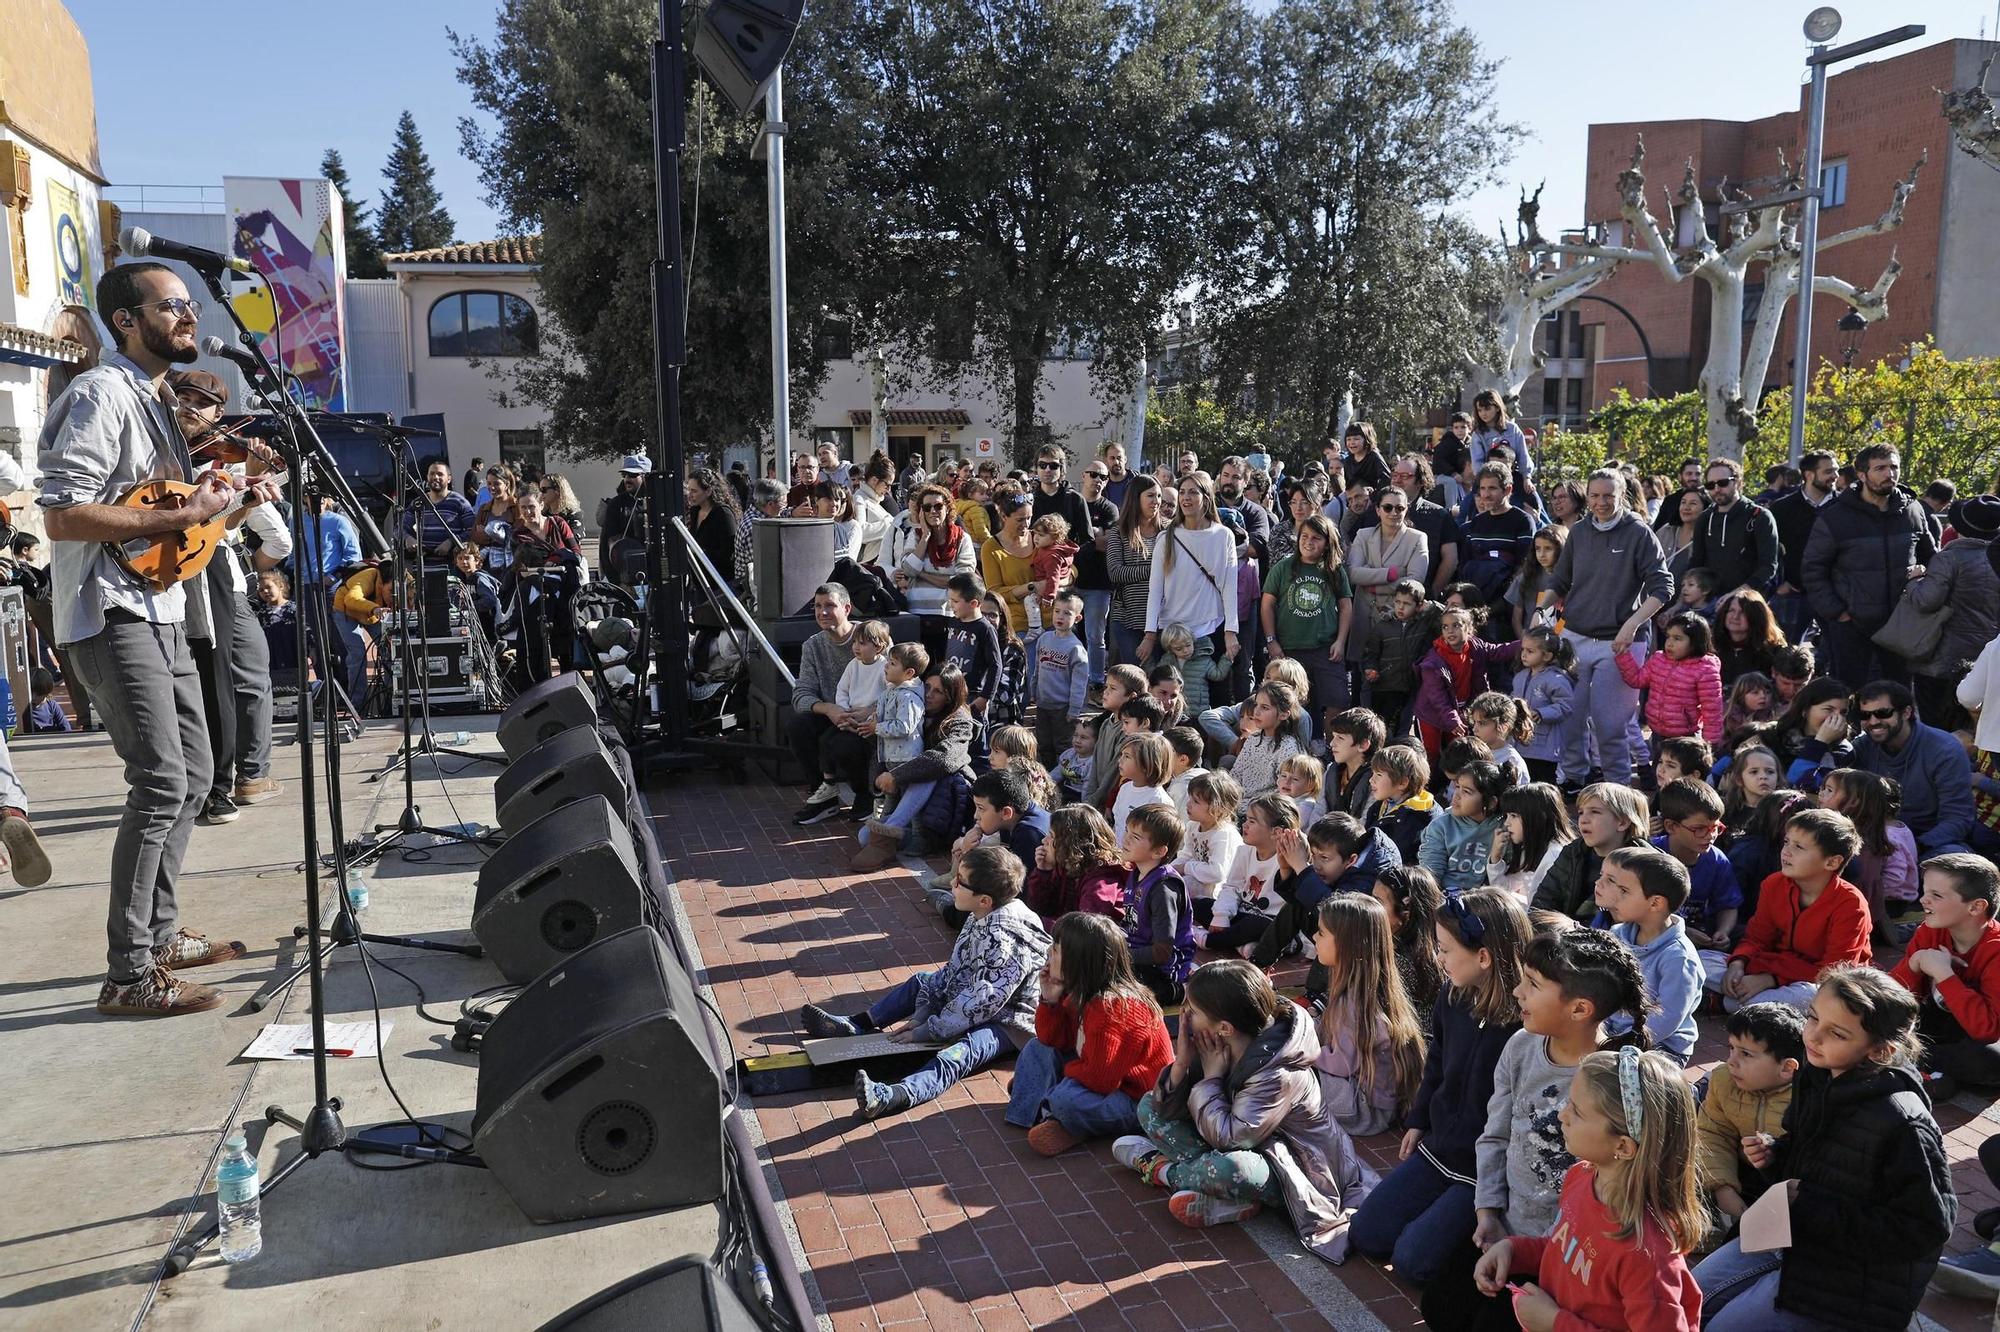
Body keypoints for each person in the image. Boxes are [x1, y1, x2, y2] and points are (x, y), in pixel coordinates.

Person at [38, 261, 277, 1015]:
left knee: (197, 770)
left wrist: (224, 505)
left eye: (190, 305)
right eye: (170, 306)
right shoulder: (100, 395)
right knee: (162, 782)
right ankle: (130, 972)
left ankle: (162, 932)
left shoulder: (155, 403)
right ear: (125, 322)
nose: (189, 317)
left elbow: (174, 527)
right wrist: (179, 516)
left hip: (163, 609)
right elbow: (64, 514)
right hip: (109, 614)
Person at [1692, 965, 1954, 1332]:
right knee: (1686, 1301)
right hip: (1791, 1234)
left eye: (1837, 1033)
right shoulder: (1818, 1074)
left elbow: (1924, 1229)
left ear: (1880, 1051)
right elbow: (1813, 1158)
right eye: (1813, 1017)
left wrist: (1809, 1203)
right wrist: (1775, 1154)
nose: (1813, 1036)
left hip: (1848, 1281)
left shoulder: (1902, 1122)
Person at [1113, 958, 1374, 1251]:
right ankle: (1223, 1196)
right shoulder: (1215, 1040)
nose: (1184, 1015)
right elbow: (1165, 1109)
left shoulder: (1278, 1072)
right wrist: (1182, 1063)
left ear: (1225, 1027)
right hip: (1238, 1141)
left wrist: (1211, 1079)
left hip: (1291, 1169)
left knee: (1229, 1168)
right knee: (1149, 1106)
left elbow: (1232, 1138)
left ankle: (1164, 1171)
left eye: (1193, 1010)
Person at [1350, 889, 1529, 1282]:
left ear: (1483, 957)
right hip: (1441, 1148)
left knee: (1413, 1262)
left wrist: (1493, 1193)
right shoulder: (1452, 995)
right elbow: (1437, 1064)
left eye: (1446, 949)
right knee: (1367, 1234)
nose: (1438, 958)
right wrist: (1419, 1120)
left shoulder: (1525, 1028)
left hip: (1481, 1171)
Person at [800, 845, 1049, 1119]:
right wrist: (924, 1011)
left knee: (960, 1052)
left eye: (961, 881)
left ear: (985, 900)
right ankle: (857, 1023)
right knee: (922, 981)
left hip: (1008, 1023)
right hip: (978, 1003)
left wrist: (928, 1030)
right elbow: (955, 972)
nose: (953, 882)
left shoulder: (1003, 941)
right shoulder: (981, 915)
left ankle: (894, 1095)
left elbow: (979, 1003)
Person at [1471, 1049, 1706, 1332]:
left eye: (1578, 1111)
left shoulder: (1646, 1253)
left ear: (1623, 1147)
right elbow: (1564, 1248)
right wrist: (1513, 1249)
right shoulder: (1581, 1176)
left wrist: (1555, 1323)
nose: (1562, 1114)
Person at [167, 368, 289, 819]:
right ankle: (217, 780)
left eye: (202, 403)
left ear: (221, 412)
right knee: (204, 685)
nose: (191, 408)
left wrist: (251, 485)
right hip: (168, 578)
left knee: (225, 680)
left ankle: (230, 780)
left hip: (209, 575)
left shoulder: (223, 463)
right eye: (184, 398)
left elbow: (219, 527)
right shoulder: (162, 445)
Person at [1538, 467, 1673, 786]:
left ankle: (1618, 789)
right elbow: (1559, 579)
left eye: (1608, 496)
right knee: (1569, 718)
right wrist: (1539, 610)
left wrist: (1633, 623)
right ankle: (1573, 779)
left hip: (1621, 644)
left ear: (1622, 495)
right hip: (1575, 638)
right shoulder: (1580, 531)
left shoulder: (1638, 532)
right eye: (1595, 495)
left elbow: (1663, 587)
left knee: (1610, 726)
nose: (1601, 502)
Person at [1005, 911, 1174, 1155]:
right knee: (1037, 1049)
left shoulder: (1113, 1007)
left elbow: (1100, 1079)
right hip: (1099, 1074)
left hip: (1136, 1098)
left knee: (1067, 1099)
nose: (1049, 953)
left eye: (1057, 949)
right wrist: (1049, 1001)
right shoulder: (1078, 988)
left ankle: (1049, 1107)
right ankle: (1044, 1112)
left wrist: (1059, 1078)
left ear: (1079, 962)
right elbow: (1051, 1040)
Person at [1801, 444, 1937, 688]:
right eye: (1880, 468)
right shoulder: (1836, 517)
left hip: (1901, 622)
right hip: (1852, 625)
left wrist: (1921, 592)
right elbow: (1813, 570)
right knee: (1850, 694)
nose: (1889, 474)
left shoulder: (1912, 511)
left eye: (1894, 467)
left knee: (1899, 693)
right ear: (1862, 475)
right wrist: (1837, 612)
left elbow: (1932, 558)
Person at [1723, 807, 1870, 1012]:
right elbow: (1757, 938)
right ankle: (1742, 1000)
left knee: (1816, 995)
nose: (1786, 852)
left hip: (1817, 983)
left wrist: (1771, 978)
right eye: (1786, 842)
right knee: (1704, 961)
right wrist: (1738, 963)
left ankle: (1736, 1002)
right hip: (1772, 967)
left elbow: (1834, 971)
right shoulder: (1773, 884)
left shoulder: (1851, 904)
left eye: (1799, 847)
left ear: (1831, 861)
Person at [1891, 852, 2000, 1094]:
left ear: (1976, 906)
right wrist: (1915, 962)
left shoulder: (1996, 950)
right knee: (1878, 1013)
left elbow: (1987, 1029)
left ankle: (1911, 1062)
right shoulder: (1930, 931)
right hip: (1936, 1025)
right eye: (1925, 891)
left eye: (1936, 895)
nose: (1922, 900)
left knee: (1990, 1062)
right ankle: (1927, 1069)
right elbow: (1894, 995)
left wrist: (1945, 975)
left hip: (1978, 1036)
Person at [1832, 679, 1975, 855]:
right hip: (1874, 840)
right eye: (1865, 715)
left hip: (1929, 842)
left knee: (1951, 858)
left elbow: (1957, 819)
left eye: (1883, 713)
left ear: (1907, 712)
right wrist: (1823, 742)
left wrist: (1910, 846)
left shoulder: (1944, 750)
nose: (1873, 721)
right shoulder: (1863, 745)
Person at [1696, 1003, 1802, 1232]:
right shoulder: (1723, 1080)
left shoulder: (1807, 1098)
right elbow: (1712, 1133)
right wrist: (1723, 1188)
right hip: (1733, 1171)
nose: (1732, 1061)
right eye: (1731, 1048)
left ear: (1787, 1068)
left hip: (1782, 1185)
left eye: (1745, 1054)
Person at [1594, 847, 1705, 1064]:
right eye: (1602, 877)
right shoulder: (1618, 934)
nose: (1601, 885)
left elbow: (1666, 1019)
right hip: (1614, 1033)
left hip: (1660, 1047)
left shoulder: (1678, 958)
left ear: (1655, 903)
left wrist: (1621, 1043)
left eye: (1623, 890)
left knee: (1613, 1085)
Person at [1904, 493, 1999, 732]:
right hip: (1986, 658)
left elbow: (1927, 601)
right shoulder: (1995, 559)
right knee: (1975, 727)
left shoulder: (1949, 558)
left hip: (1941, 659)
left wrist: (1914, 581)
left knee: (1936, 728)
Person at [1141, 478, 1239, 685]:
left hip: (1209, 628)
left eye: (1193, 492)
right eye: (1182, 492)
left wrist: (1231, 632)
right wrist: (1150, 635)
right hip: (1171, 632)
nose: (1186, 497)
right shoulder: (1166, 537)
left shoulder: (1223, 536)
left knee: (1213, 696)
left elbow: (1229, 587)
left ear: (1206, 497)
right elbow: (1155, 590)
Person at [1260, 513, 1353, 720]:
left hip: (1326, 648)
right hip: (1289, 649)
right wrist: (1271, 640)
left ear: (1327, 543)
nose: (1308, 542)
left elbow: (1346, 606)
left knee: (1337, 700)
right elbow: (1267, 605)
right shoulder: (1282, 568)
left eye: (1316, 538)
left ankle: (1333, 751)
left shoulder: (1334, 570)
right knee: (1292, 705)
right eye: (1304, 536)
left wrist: (1340, 642)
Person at [788, 585, 861, 822]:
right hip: (832, 715)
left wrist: (864, 712)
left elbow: (892, 683)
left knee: (842, 743)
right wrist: (829, 709)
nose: (822, 612)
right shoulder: (812, 645)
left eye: (829, 605)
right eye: (818, 606)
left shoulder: (871, 636)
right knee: (799, 726)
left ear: (847, 608)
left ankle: (866, 796)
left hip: (867, 716)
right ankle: (824, 797)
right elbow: (801, 694)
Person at [1533, 783, 1650, 923]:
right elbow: (1543, 903)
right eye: (1581, 812)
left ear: (1622, 823)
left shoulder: (1644, 864)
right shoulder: (1572, 853)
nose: (1583, 820)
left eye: (1594, 812)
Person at [504, 486, 583, 687]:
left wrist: (555, 558)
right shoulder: (519, 535)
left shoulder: (558, 523)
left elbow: (575, 552)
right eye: (523, 508)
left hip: (565, 590)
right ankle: (538, 686)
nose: (528, 512)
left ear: (541, 504)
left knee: (566, 637)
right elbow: (522, 566)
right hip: (537, 592)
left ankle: (570, 684)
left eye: (531, 506)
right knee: (536, 636)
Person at [1118, 803, 1195, 1003]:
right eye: (1127, 831)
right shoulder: (1137, 872)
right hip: (1137, 954)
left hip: (1163, 969)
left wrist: (1120, 955)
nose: (1125, 839)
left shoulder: (1163, 889)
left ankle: (1183, 990)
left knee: (1124, 996)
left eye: (1135, 837)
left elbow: (1162, 952)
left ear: (1159, 851)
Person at [1767, 448, 1837, 644]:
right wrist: (1779, 584)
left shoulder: (1845, 506)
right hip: (1793, 594)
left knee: (1839, 653)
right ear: (1809, 475)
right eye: (1828, 471)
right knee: (1784, 651)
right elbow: (1769, 549)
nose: (1834, 476)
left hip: (1834, 593)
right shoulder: (1782, 508)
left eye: (1836, 470)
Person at [1686, 457, 1780, 596]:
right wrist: (1682, 602)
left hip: (1746, 602)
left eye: (1723, 483)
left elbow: (1768, 567)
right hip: (1708, 601)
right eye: (1710, 485)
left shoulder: (1760, 516)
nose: (1717, 489)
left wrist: (1737, 594)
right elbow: (1696, 564)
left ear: (1737, 482)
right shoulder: (1705, 518)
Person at [1069, 458, 1119, 687]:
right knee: (1066, 632)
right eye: (1093, 474)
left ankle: (1097, 681)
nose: (1098, 480)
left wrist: (1082, 539)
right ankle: (1071, 678)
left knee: (1095, 637)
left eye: (1103, 476)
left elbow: (1110, 543)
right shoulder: (1072, 503)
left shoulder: (1109, 508)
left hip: (1098, 584)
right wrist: (1094, 536)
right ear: (1083, 476)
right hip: (1069, 582)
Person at [1104, 475, 1161, 669]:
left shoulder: (1168, 531)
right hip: (1128, 618)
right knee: (1136, 676)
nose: (1157, 501)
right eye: (1151, 495)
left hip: (1162, 618)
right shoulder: (1119, 532)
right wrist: (1154, 570)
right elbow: (1116, 572)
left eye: (1159, 496)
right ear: (1136, 498)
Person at [405, 460, 476, 563]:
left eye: (440, 474)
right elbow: (399, 528)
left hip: (451, 566)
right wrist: (407, 538)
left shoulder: (460, 502)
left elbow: (472, 531)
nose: (435, 477)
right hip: (423, 566)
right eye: (432, 474)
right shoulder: (418, 503)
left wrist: (452, 542)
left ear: (449, 479)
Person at [597, 455, 650, 580]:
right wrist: (616, 580)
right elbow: (607, 543)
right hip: (626, 574)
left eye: (632, 475)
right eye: (624, 475)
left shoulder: (658, 501)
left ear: (645, 476)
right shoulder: (617, 504)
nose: (627, 479)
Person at [1469, 388, 1530, 476]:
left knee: (1531, 490)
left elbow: (1523, 456)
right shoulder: (1478, 434)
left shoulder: (1512, 429)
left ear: (1497, 407)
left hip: (1513, 475)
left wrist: (1526, 477)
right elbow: (1477, 463)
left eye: (1487, 409)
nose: (1483, 413)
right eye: (1480, 410)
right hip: (1488, 477)